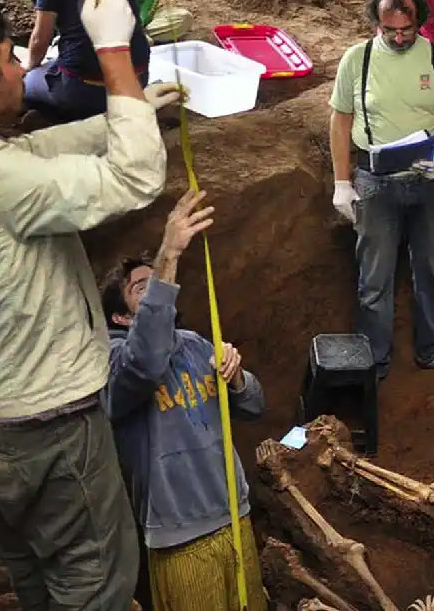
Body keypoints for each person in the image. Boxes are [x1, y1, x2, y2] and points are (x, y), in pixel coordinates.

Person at [0, 0, 181, 610]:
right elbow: (138, 177)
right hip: (53, 429)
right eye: (9, 60)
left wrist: (134, 109)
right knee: (96, 586)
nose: (19, 71)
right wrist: (114, 51)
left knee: (36, 578)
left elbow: (36, 150)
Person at [102, 189, 267, 611]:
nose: (161, 288)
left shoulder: (195, 345)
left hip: (235, 516)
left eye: (161, 281)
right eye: (144, 287)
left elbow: (254, 407)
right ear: (121, 317)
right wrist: (168, 254)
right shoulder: (113, 361)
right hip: (179, 538)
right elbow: (144, 363)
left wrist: (237, 379)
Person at [329, 0, 434, 381]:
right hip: (375, 182)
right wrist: (342, 182)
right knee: (375, 277)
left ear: (419, 22)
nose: (401, 37)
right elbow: (340, 121)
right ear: (378, 23)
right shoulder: (358, 60)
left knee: (432, 270)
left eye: (408, 30)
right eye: (392, 31)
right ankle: (373, 360)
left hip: (427, 182)